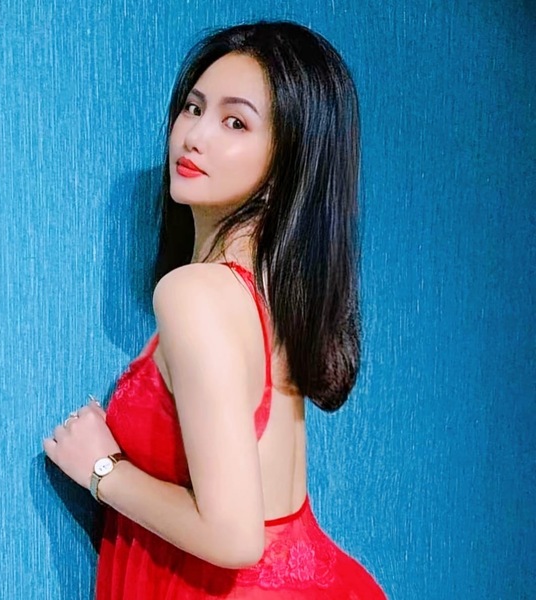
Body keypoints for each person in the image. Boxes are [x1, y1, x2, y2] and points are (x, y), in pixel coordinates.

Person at [44, 20, 386, 599]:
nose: (194, 136)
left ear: (288, 162)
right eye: (194, 108)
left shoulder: (195, 293)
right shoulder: (279, 290)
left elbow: (234, 538)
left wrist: (103, 471)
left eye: (235, 122)